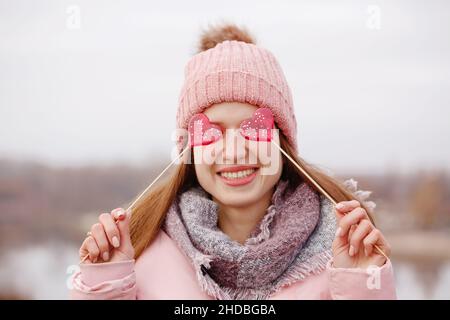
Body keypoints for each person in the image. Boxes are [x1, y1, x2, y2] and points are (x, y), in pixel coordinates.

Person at [70, 23, 396, 300]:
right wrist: (106, 283)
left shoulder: (342, 252)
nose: (233, 151)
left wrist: (360, 286)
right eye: (211, 132)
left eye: (253, 128)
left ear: (282, 140)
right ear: (189, 148)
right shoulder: (138, 252)